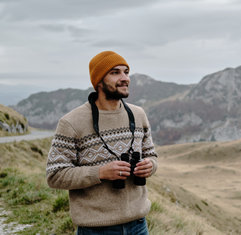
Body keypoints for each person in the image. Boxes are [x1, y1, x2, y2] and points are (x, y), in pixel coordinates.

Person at [46, 51, 158, 235]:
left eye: (126, 72)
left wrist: (150, 165)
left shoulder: (139, 115)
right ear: (98, 81)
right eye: (115, 72)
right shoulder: (71, 122)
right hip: (95, 229)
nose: (125, 78)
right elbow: (55, 175)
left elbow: (151, 155)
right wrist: (100, 173)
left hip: (139, 225)